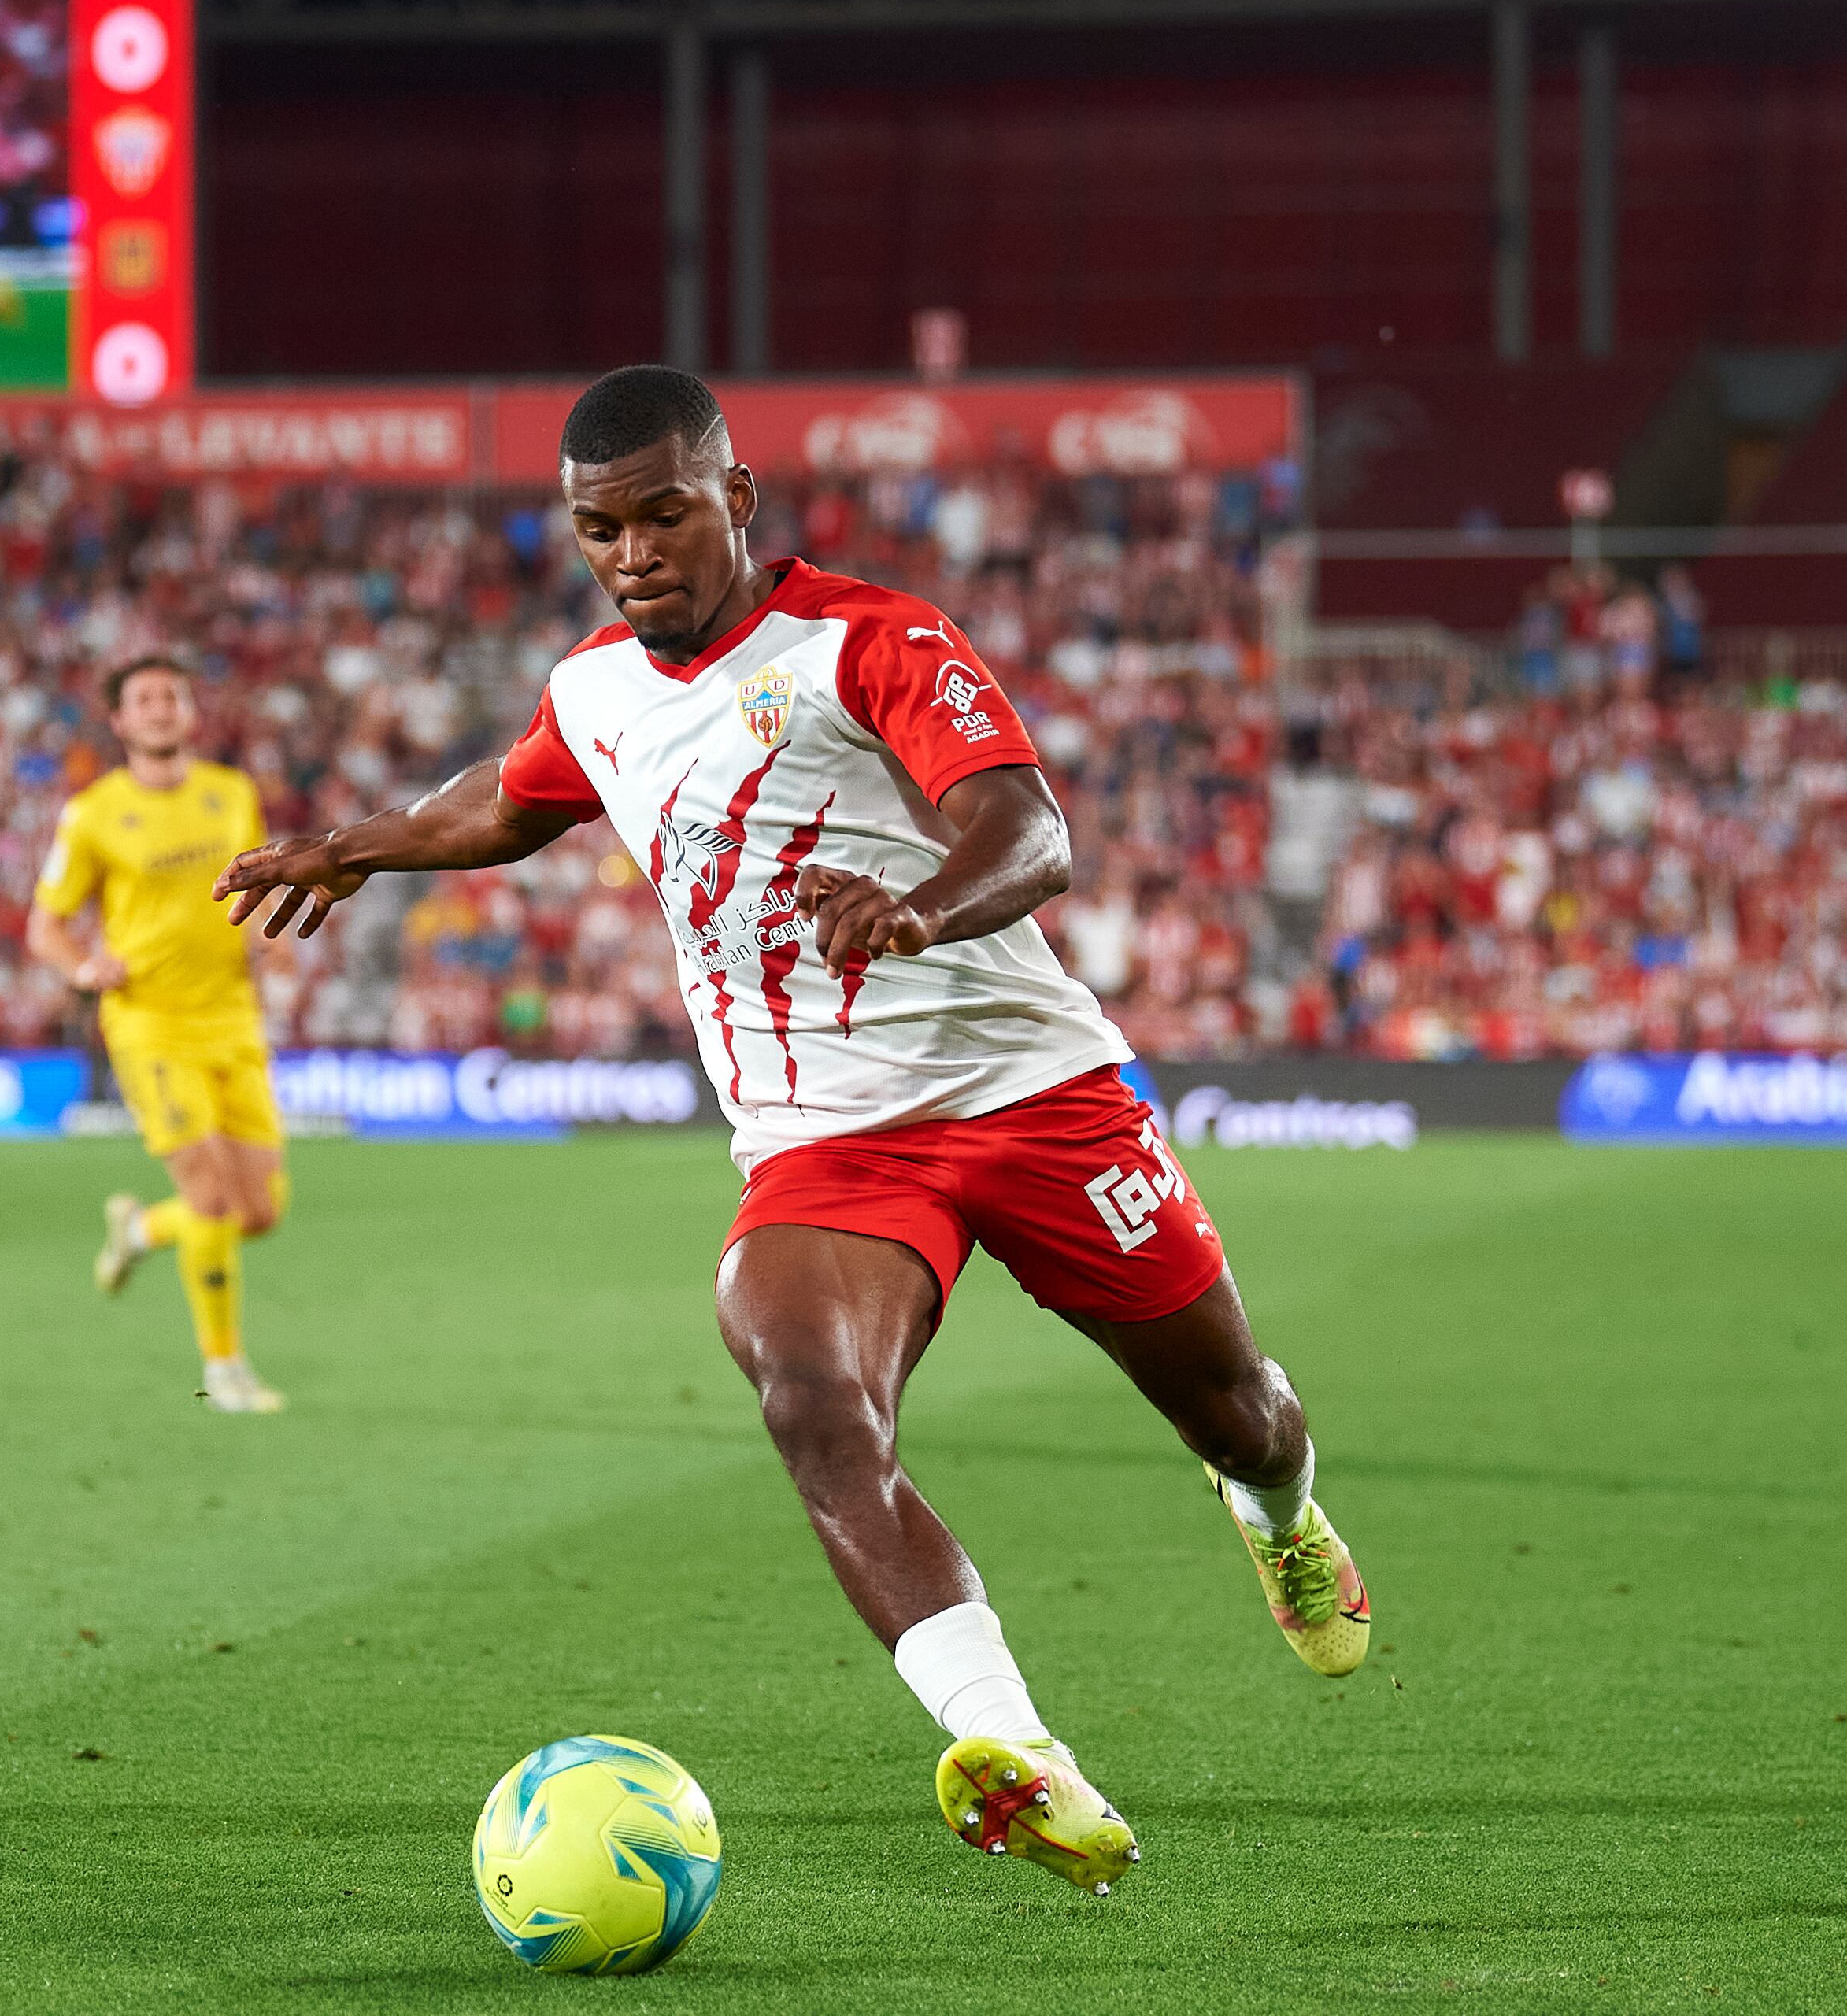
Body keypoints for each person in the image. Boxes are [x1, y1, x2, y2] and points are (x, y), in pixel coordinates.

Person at [214, 366, 1368, 1895]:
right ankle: (1012, 1745)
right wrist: (354, 845)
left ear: (735, 501)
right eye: (597, 528)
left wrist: (918, 905)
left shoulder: (868, 640)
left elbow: (1029, 829)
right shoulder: (594, 693)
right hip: (825, 1146)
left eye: (662, 514)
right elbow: (503, 801)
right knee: (809, 1394)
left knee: (1233, 1407)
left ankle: (1273, 1506)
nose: (631, 552)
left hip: (1029, 1096)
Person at [27, 655, 291, 1413]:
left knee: (259, 1213)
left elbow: (255, 884)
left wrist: (264, 935)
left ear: (190, 711)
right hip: (150, 1025)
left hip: (234, 1018)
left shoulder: (233, 793)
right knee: (211, 1199)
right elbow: (44, 926)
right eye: (143, 699)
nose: (159, 707)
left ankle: (140, 1229)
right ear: (120, 722)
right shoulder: (93, 813)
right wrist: (84, 970)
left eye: (171, 695)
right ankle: (226, 1367)